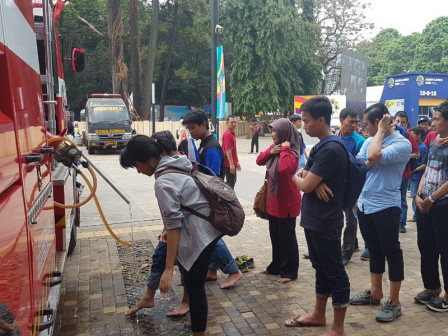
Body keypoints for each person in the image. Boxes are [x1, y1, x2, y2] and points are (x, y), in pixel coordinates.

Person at [120, 132, 222, 336]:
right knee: (194, 284)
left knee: (195, 287)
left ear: (149, 160)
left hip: (201, 235)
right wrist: (169, 231)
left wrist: (168, 269)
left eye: (137, 166)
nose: (139, 172)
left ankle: (199, 333)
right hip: (205, 229)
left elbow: (175, 223)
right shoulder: (175, 162)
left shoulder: (163, 181)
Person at [286, 96, 350, 336]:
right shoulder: (323, 145)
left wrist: (298, 176)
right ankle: (319, 315)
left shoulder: (331, 148)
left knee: (334, 272)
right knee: (320, 268)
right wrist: (308, 178)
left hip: (326, 221)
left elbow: (303, 183)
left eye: (306, 121)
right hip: (315, 219)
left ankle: (338, 327)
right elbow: (308, 176)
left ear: (321, 120)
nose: (303, 126)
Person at [350, 103, 411, 323]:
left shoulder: (401, 144)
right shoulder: (368, 141)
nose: (364, 129)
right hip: (365, 204)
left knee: (392, 252)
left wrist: (383, 133)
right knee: (374, 250)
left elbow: (373, 157)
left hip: (386, 206)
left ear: (379, 122)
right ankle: (375, 293)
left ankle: (395, 301)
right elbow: (360, 166)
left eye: (367, 124)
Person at [183, 109, 244, 289]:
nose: (191, 131)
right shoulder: (203, 144)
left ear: (204, 124)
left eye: (193, 127)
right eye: (189, 128)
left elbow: (213, 179)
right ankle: (212, 270)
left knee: (210, 237)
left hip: (210, 199)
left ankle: (233, 271)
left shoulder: (211, 148)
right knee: (208, 235)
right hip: (205, 197)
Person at [256, 118, 301, 283]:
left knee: (287, 238)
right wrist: (271, 152)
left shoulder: (293, 152)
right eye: (272, 130)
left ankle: (290, 272)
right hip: (273, 200)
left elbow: (284, 169)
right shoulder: (275, 148)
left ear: (285, 133)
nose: (273, 134)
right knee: (275, 236)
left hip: (287, 202)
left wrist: (285, 149)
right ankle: (276, 266)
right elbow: (259, 160)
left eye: (276, 131)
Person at [414, 101, 448, 312]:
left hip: (442, 205)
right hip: (425, 204)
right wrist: (418, 195)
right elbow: (427, 171)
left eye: (436, 119)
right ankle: (432, 287)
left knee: (445, 249)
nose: (432, 123)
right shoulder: (435, 143)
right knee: (425, 247)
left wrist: (433, 198)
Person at [336, 107, 366, 266]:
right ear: (341, 121)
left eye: (357, 122)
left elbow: (361, 169)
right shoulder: (334, 137)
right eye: (351, 121)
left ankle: (346, 253)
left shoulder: (360, 141)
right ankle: (338, 247)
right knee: (335, 219)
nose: (355, 125)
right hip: (336, 187)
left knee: (351, 220)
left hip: (352, 188)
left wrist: (357, 193)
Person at [393, 111, 420, 233]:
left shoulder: (409, 136)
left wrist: (403, 155)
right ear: (393, 121)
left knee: (402, 198)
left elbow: (417, 153)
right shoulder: (389, 134)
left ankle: (401, 223)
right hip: (391, 173)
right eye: (398, 121)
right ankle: (392, 221)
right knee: (392, 198)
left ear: (406, 124)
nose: (400, 124)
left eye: (403, 122)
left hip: (404, 174)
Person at [408, 126, 428, 222]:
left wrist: (414, 170)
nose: (411, 136)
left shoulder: (422, 148)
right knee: (412, 195)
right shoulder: (415, 146)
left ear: (419, 135)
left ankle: (416, 216)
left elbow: (424, 164)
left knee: (415, 195)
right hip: (413, 175)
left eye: (413, 134)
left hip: (418, 175)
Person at [222, 115, 240, 189]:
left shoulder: (231, 133)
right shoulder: (227, 134)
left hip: (232, 162)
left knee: (232, 182)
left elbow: (233, 150)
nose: (234, 124)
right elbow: (228, 150)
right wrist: (231, 164)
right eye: (232, 122)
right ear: (227, 123)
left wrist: (237, 162)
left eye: (235, 122)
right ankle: (229, 199)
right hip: (228, 164)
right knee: (230, 184)